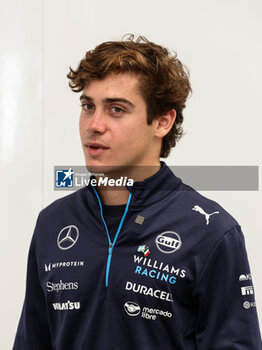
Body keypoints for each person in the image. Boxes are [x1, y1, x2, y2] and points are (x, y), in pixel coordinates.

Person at [13, 35, 262, 349]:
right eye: (88, 106)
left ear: (161, 121)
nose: (94, 124)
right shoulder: (52, 222)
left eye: (116, 109)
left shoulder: (211, 231)